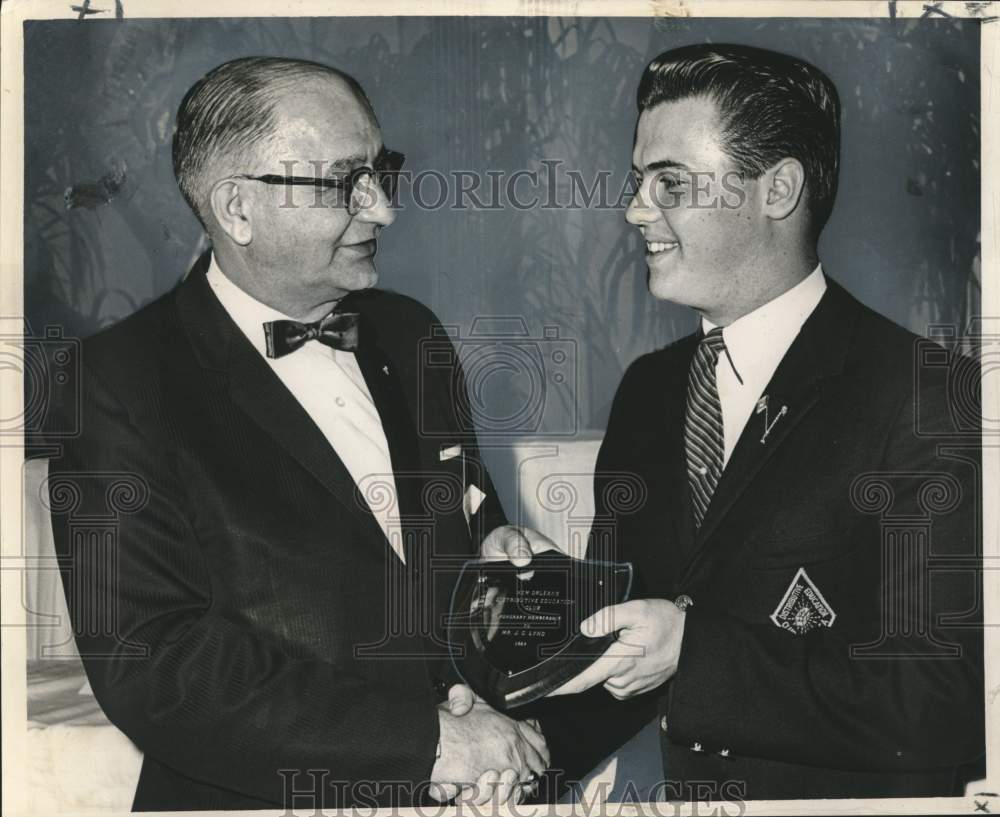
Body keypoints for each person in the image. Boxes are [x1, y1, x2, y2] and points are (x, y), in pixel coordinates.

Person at [47, 56, 550, 811]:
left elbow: (452, 540)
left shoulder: (413, 333)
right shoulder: (112, 382)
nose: (382, 209)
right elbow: (158, 664)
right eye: (345, 181)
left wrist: (500, 567)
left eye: (383, 171)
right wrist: (428, 743)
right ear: (237, 207)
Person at [492, 43, 985, 801]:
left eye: (670, 183)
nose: (633, 211)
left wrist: (694, 652)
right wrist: (517, 747)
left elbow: (942, 703)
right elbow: (622, 662)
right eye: (637, 182)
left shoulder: (926, 393)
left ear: (778, 189)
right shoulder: (649, 392)